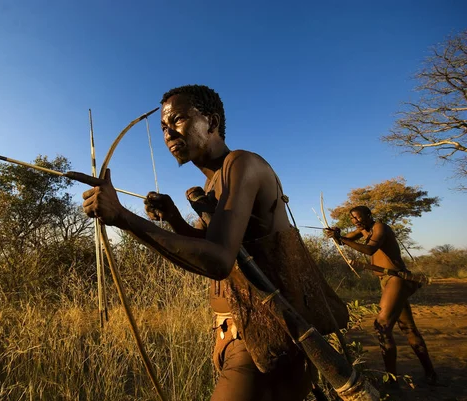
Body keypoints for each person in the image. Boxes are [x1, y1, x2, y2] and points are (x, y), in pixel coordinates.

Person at [80, 85, 348, 401]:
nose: (168, 134)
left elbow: (219, 260)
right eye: (164, 128)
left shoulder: (241, 164)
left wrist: (122, 216)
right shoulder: (215, 181)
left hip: (266, 338)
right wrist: (175, 219)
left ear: (212, 122)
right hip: (240, 334)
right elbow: (224, 247)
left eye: (177, 120)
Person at [325, 206, 437, 389]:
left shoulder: (380, 227)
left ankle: (391, 381)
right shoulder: (364, 229)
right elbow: (346, 239)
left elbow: (369, 250)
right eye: (353, 219)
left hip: (397, 279)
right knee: (408, 329)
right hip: (386, 280)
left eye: (359, 218)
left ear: (369, 215)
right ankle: (431, 374)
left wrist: (341, 238)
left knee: (382, 326)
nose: (356, 221)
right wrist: (336, 234)